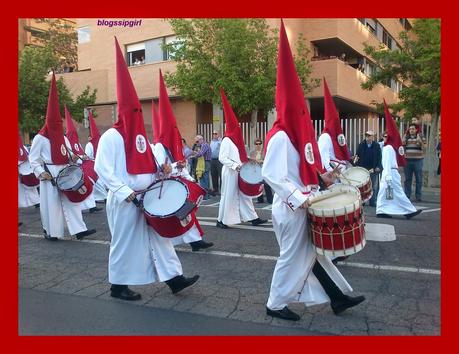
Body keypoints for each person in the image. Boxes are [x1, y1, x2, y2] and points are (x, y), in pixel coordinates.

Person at [262, 21, 365, 321]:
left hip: (304, 204)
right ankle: (275, 303)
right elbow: (273, 176)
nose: (304, 116)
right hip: (290, 209)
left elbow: (304, 166)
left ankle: (336, 298)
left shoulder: (297, 136)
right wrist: (300, 197)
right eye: (300, 111)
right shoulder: (281, 136)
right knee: (293, 257)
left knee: (315, 255)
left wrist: (322, 177)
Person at [94, 38, 199, 301]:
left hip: (148, 197)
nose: (138, 115)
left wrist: (167, 169)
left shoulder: (145, 141)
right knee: (125, 243)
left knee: (160, 238)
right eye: (134, 111)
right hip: (126, 199)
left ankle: (175, 279)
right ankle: (117, 286)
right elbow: (101, 168)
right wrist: (123, 191)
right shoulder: (112, 137)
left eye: (139, 111)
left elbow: (155, 169)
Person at [28, 73, 96, 241]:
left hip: (65, 172)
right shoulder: (40, 138)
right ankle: (51, 232)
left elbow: (67, 152)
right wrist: (40, 172)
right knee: (51, 205)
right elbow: (33, 158)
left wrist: (74, 158)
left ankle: (79, 230)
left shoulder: (63, 137)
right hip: (50, 173)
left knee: (72, 201)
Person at [152, 69, 213, 252]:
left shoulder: (175, 146)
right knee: (178, 215)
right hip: (166, 187)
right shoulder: (158, 147)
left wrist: (191, 178)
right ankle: (183, 242)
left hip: (180, 185)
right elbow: (157, 170)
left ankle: (195, 241)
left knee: (187, 213)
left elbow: (182, 165)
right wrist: (171, 167)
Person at [216, 88, 267, 229]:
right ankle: (221, 220)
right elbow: (222, 158)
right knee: (228, 196)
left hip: (239, 171)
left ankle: (253, 218)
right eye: (236, 127)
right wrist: (236, 166)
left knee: (245, 196)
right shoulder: (227, 140)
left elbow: (240, 156)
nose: (238, 128)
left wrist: (247, 163)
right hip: (230, 172)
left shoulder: (236, 141)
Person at [376, 101, 422, 219]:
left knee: (387, 193)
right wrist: (388, 176)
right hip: (390, 173)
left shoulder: (390, 147)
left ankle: (382, 210)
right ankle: (409, 211)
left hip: (391, 172)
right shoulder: (388, 148)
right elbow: (386, 164)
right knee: (397, 192)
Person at [64, 105, 102, 214]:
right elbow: (69, 157)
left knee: (88, 185)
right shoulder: (67, 144)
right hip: (74, 170)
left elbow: (83, 154)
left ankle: (92, 206)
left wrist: (83, 157)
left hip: (82, 168)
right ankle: (80, 208)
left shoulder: (78, 143)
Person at [317, 77, 351, 174]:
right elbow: (323, 159)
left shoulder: (337, 136)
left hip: (342, 172)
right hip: (335, 176)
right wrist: (331, 173)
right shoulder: (325, 137)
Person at [84, 110, 108, 204]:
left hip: (92, 164)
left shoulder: (89, 144)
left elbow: (87, 156)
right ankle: (98, 198)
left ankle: (102, 197)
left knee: (96, 183)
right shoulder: (101, 143)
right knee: (99, 182)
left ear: (90, 137)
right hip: (100, 163)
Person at [354, 130, 382, 207]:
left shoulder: (376, 145)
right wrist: (356, 165)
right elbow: (357, 156)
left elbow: (380, 157)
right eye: (367, 136)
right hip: (363, 169)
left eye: (370, 136)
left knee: (373, 186)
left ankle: (372, 202)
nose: (368, 137)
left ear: (373, 137)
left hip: (373, 168)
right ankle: (362, 201)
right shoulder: (361, 144)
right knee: (362, 186)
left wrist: (378, 167)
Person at [403, 123, 427, 202]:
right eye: (410, 129)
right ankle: (407, 195)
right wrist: (402, 141)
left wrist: (420, 141)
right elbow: (401, 147)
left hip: (418, 160)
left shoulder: (421, 136)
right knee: (407, 179)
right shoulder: (406, 137)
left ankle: (418, 196)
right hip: (407, 161)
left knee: (418, 179)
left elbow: (425, 147)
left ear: (416, 129)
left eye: (413, 129)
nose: (411, 130)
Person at [18, 132, 40, 210]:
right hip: (20, 174)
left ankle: (38, 203)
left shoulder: (23, 147)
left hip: (25, 173)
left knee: (31, 192)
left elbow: (28, 157)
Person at [249, 138, 273, 204]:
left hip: (264, 170)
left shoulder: (265, 151)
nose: (258, 145)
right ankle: (260, 200)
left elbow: (267, 160)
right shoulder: (252, 152)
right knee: (258, 186)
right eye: (257, 144)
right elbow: (251, 162)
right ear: (255, 145)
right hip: (257, 171)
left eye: (259, 143)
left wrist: (260, 161)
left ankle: (270, 200)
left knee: (267, 185)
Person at [210, 130, 223, 195]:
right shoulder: (211, 142)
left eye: (216, 134)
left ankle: (222, 190)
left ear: (219, 134)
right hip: (212, 160)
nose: (214, 135)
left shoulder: (221, 141)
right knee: (213, 175)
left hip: (219, 160)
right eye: (213, 133)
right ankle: (215, 190)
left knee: (221, 175)